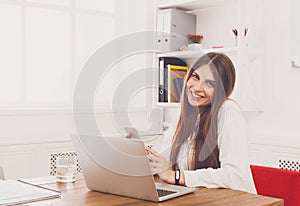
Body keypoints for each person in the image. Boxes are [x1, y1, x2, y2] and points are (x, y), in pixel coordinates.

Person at [146, 52, 256, 193]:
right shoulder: (185, 113)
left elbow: (234, 176)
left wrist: (178, 176)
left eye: (209, 83)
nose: (197, 87)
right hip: (200, 198)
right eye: (195, 77)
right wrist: (145, 158)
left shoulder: (228, 111)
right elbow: (166, 162)